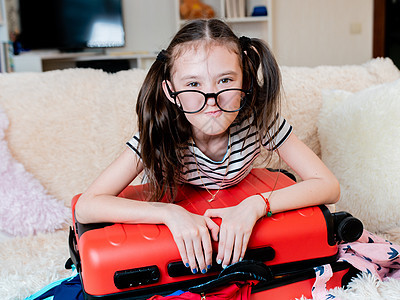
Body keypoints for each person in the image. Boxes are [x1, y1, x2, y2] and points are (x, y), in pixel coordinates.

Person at [75, 19, 340, 276]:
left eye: (225, 81)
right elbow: (87, 205)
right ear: (171, 92)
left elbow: (328, 185)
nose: (211, 100)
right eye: (193, 84)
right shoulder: (160, 132)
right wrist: (169, 213)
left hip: (240, 197)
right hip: (179, 202)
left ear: (244, 83)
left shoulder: (259, 120)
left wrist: (256, 206)